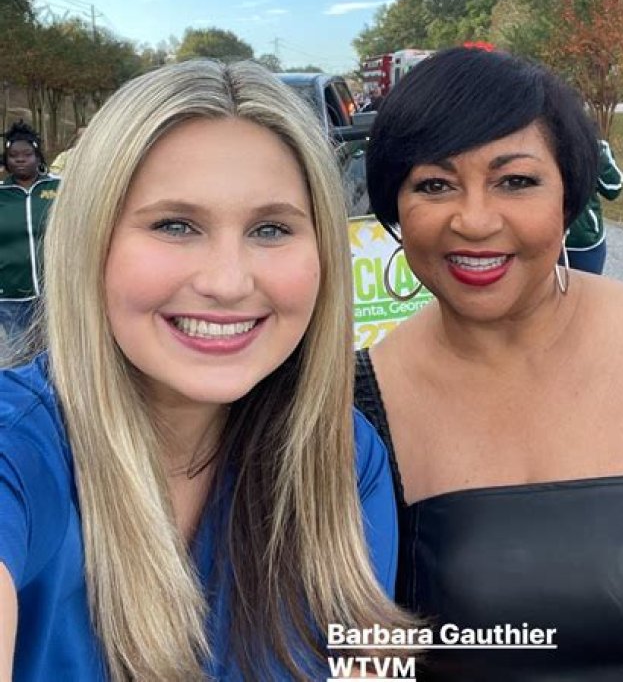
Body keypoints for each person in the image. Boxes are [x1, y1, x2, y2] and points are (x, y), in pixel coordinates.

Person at [0, 60, 410, 682]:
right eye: (175, 225)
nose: (227, 281)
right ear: (90, 241)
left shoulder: (344, 456)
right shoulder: (18, 455)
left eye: (270, 229)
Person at [355, 47, 623, 681]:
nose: (474, 221)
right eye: (434, 184)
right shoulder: (351, 416)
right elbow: (352, 654)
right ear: (394, 210)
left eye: (515, 181)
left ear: (568, 195)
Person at [0, 121, 60, 348]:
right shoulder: (2, 193)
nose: (20, 159)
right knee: (20, 355)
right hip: (11, 295)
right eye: (13, 155)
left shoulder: (58, 188)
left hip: (54, 291)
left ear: (38, 156)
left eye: (27, 154)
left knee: (57, 352)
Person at [564, 138, 623, 274]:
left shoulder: (593, 148)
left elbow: (613, 189)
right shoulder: (542, 144)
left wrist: (599, 156)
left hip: (584, 241)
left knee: (586, 286)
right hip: (546, 238)